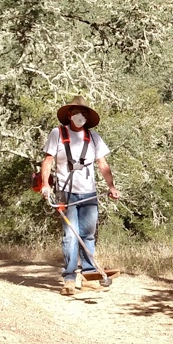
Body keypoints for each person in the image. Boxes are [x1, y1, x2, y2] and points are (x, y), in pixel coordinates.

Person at [39, 96, 120, 296]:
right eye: (76, 112)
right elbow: (48, 161)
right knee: (70, 235)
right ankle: (69, 278)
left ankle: (89, 276)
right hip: (65, 193)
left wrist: (111, 186)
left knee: (88, 235)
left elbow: (102, 164)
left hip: (89, 193)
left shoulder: (93, 138)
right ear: (69, 114)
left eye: (84, 113)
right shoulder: (57, 134)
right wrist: (45, 185)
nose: (80, 116)